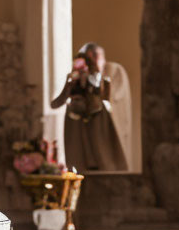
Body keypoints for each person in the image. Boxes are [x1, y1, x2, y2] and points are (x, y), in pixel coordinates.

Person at [51, 42, 128, 172]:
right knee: (77, 157)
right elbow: (55, 104)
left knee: (101, 154)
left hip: (96, 117)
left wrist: (90, 79)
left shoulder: (100, 78)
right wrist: (70, 84)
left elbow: (104, 96)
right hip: (75, 119)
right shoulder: (72, 80)